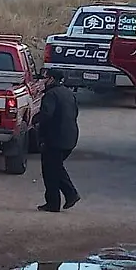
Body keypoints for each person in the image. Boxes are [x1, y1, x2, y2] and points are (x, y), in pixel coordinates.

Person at [36, 68, 81, 212]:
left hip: (55, 139)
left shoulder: (50, 95)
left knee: (50, 171)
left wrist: (35, 123)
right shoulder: (68, 93)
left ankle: (57, 201)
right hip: (70, 137)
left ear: (51, 79)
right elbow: (75, 113)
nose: (43, 80)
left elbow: (46, 116)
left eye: (45, 78)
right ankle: (68, 196)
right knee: (55, 168)